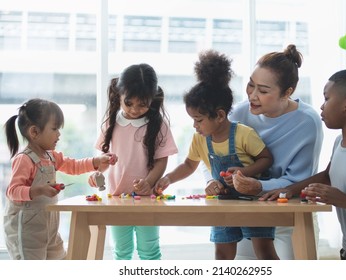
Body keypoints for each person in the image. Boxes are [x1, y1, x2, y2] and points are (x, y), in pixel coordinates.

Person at [154, 50, 278, 260]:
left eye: (199, 120)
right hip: (223, 203)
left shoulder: (243, 134)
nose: (195, 126)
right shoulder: (200, 139)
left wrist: (244, 172)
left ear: (220, 115)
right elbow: (188, 165)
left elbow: (267, 159)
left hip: (253, 202)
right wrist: (168, 178)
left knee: (264, 252)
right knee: (222, 254)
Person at [266, 69, 346, 260]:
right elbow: (327, 175)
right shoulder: (339, 142)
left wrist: (344, 200)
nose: (322, 106)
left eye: (327, 98)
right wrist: (289, 189)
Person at [224, 44, 323, 259]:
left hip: (286, 212)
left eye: (263, 90)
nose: (252, 95)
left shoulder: (307, 122)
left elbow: (300, 179)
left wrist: (259, 186)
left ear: (287, 92)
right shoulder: (239, 112)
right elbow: (214, 153)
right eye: (250, 85)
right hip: (245, 211)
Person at [3, 98, 117, 260]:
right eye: (54, 129)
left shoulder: (51, 156)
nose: (59, 134)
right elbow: (12, 191)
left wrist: (96, 162)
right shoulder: (24, 159)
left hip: (49, 229)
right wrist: (39, 190)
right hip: (27, 232)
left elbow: (74, 166)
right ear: (34, 132)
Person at [88, 64, 178, 260]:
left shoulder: (158, 125)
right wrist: (98, 175)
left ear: (152, 100)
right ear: (119, 95)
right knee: (121, 252)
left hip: (148, 199)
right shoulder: (110, 123)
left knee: (150, 252)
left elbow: (162, 161)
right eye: (129, 103)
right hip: (116, 198)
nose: (135, 110)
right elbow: (104, 160)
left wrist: (149, 182)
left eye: (142, 104)